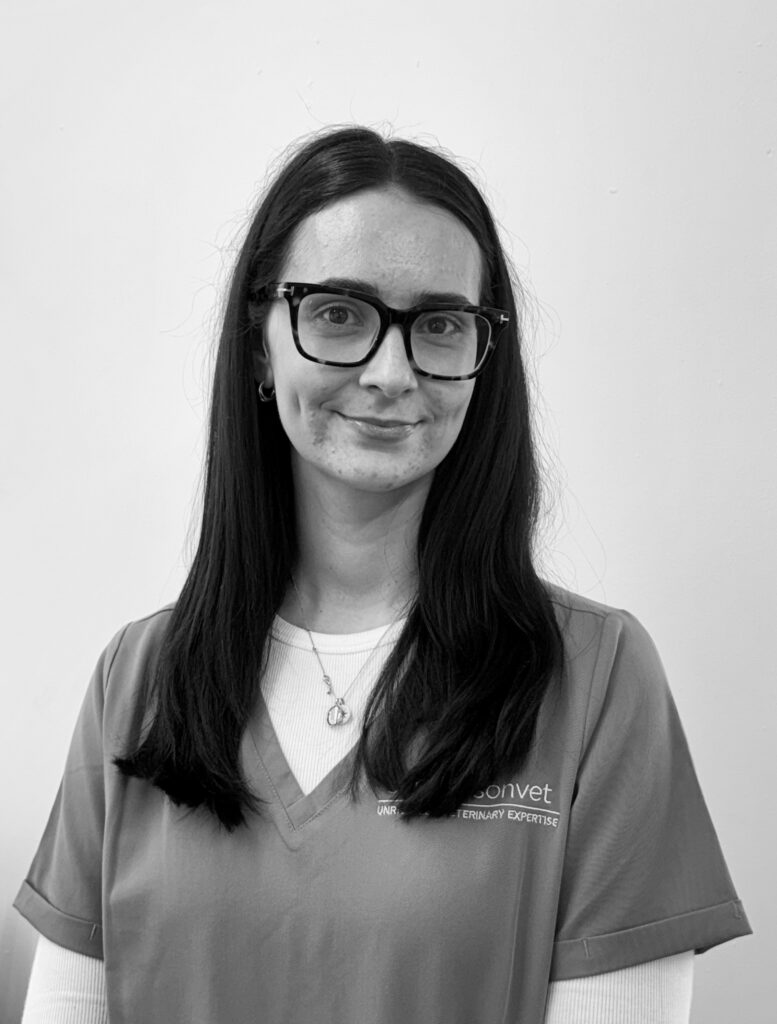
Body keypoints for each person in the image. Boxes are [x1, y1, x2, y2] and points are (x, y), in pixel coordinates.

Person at [14, 126, 750, 1024]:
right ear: (259, 345)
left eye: (440, 325)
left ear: (484, 359)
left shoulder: (595, 680)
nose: (392, 372)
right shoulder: (136, 679)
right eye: (337, 313)